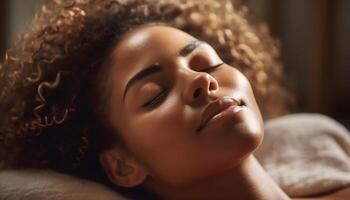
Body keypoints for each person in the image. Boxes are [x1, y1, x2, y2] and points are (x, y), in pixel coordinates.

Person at [1, 0, 348, 199]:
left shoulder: (330, 162)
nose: (202, 80)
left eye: (207, 62)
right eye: (156, 95)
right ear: (124, 165)